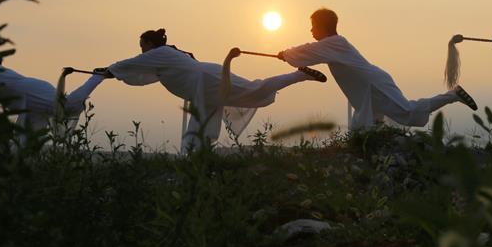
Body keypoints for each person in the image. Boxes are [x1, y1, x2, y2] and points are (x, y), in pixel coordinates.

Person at [104, 29, 327, 152]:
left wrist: (108, 70)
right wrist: (112, 73)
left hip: (210, 81)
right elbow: (143, 74)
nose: (141, 48)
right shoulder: (163, 59)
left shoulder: (159, 54)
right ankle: (197, 156)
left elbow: (130, 64)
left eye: (142, 43)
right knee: (201, 126)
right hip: (204, 89)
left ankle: (300, 75)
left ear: (150, 44)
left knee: (254, 89)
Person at [277, 8, 478, 130]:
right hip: (370, 88)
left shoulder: (333, 43)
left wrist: (286, 54)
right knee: (362, 126)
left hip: (374, 86)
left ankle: (453, 95)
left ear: (323, 26)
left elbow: (307, 51)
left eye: (313, 26)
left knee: (407, 112)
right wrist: (288, 55)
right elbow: (309, 52)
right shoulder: (332, 45)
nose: (311, 30)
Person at [0, 46, 107, 133]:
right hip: (36, 100)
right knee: (26, 139)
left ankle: (97, 77)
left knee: (67, 107)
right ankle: (97, 77)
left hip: (38, 96)